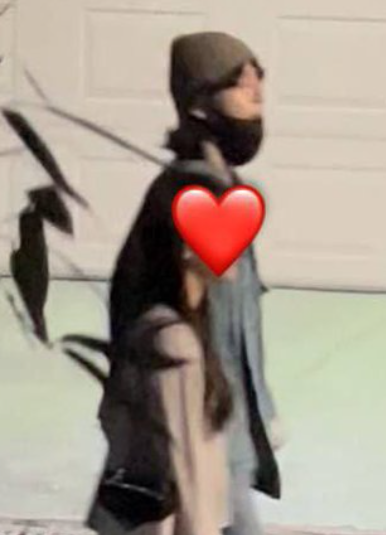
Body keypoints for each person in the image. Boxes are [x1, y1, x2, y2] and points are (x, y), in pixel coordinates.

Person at [102, 31, 283, 535]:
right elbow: (172, 312)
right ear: (199, 102)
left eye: (259, 76)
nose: (257, 90)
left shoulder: (228, 189)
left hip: (227, 428)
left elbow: (239, 323)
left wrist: (262, 409)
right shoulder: (186, 192)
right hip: (194, 427)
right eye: (240, 81)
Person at [87, 201, 235, 535]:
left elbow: (112, 417)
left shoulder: (168, 326)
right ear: (187, 249)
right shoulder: (173, 341)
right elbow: (183, 454)